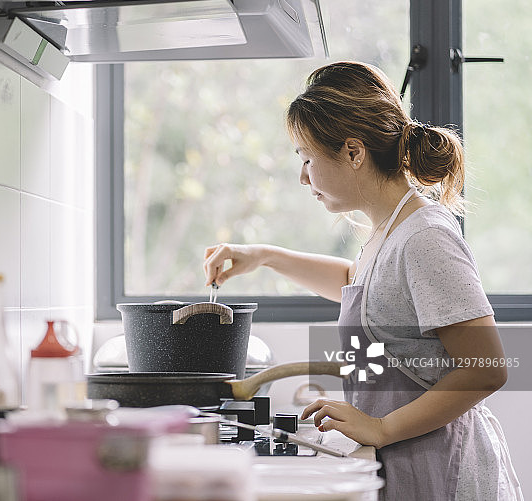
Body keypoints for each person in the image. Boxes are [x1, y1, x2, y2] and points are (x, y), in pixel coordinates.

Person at [203, 61, 522, 500]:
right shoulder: (388, 232)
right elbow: (365, 290)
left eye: (307, 158)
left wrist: (381, 426)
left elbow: (486, 368)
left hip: (441, 471)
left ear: (354, 152)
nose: (303, 175)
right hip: (408, 461)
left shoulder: (425, 235)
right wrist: (264, 257)